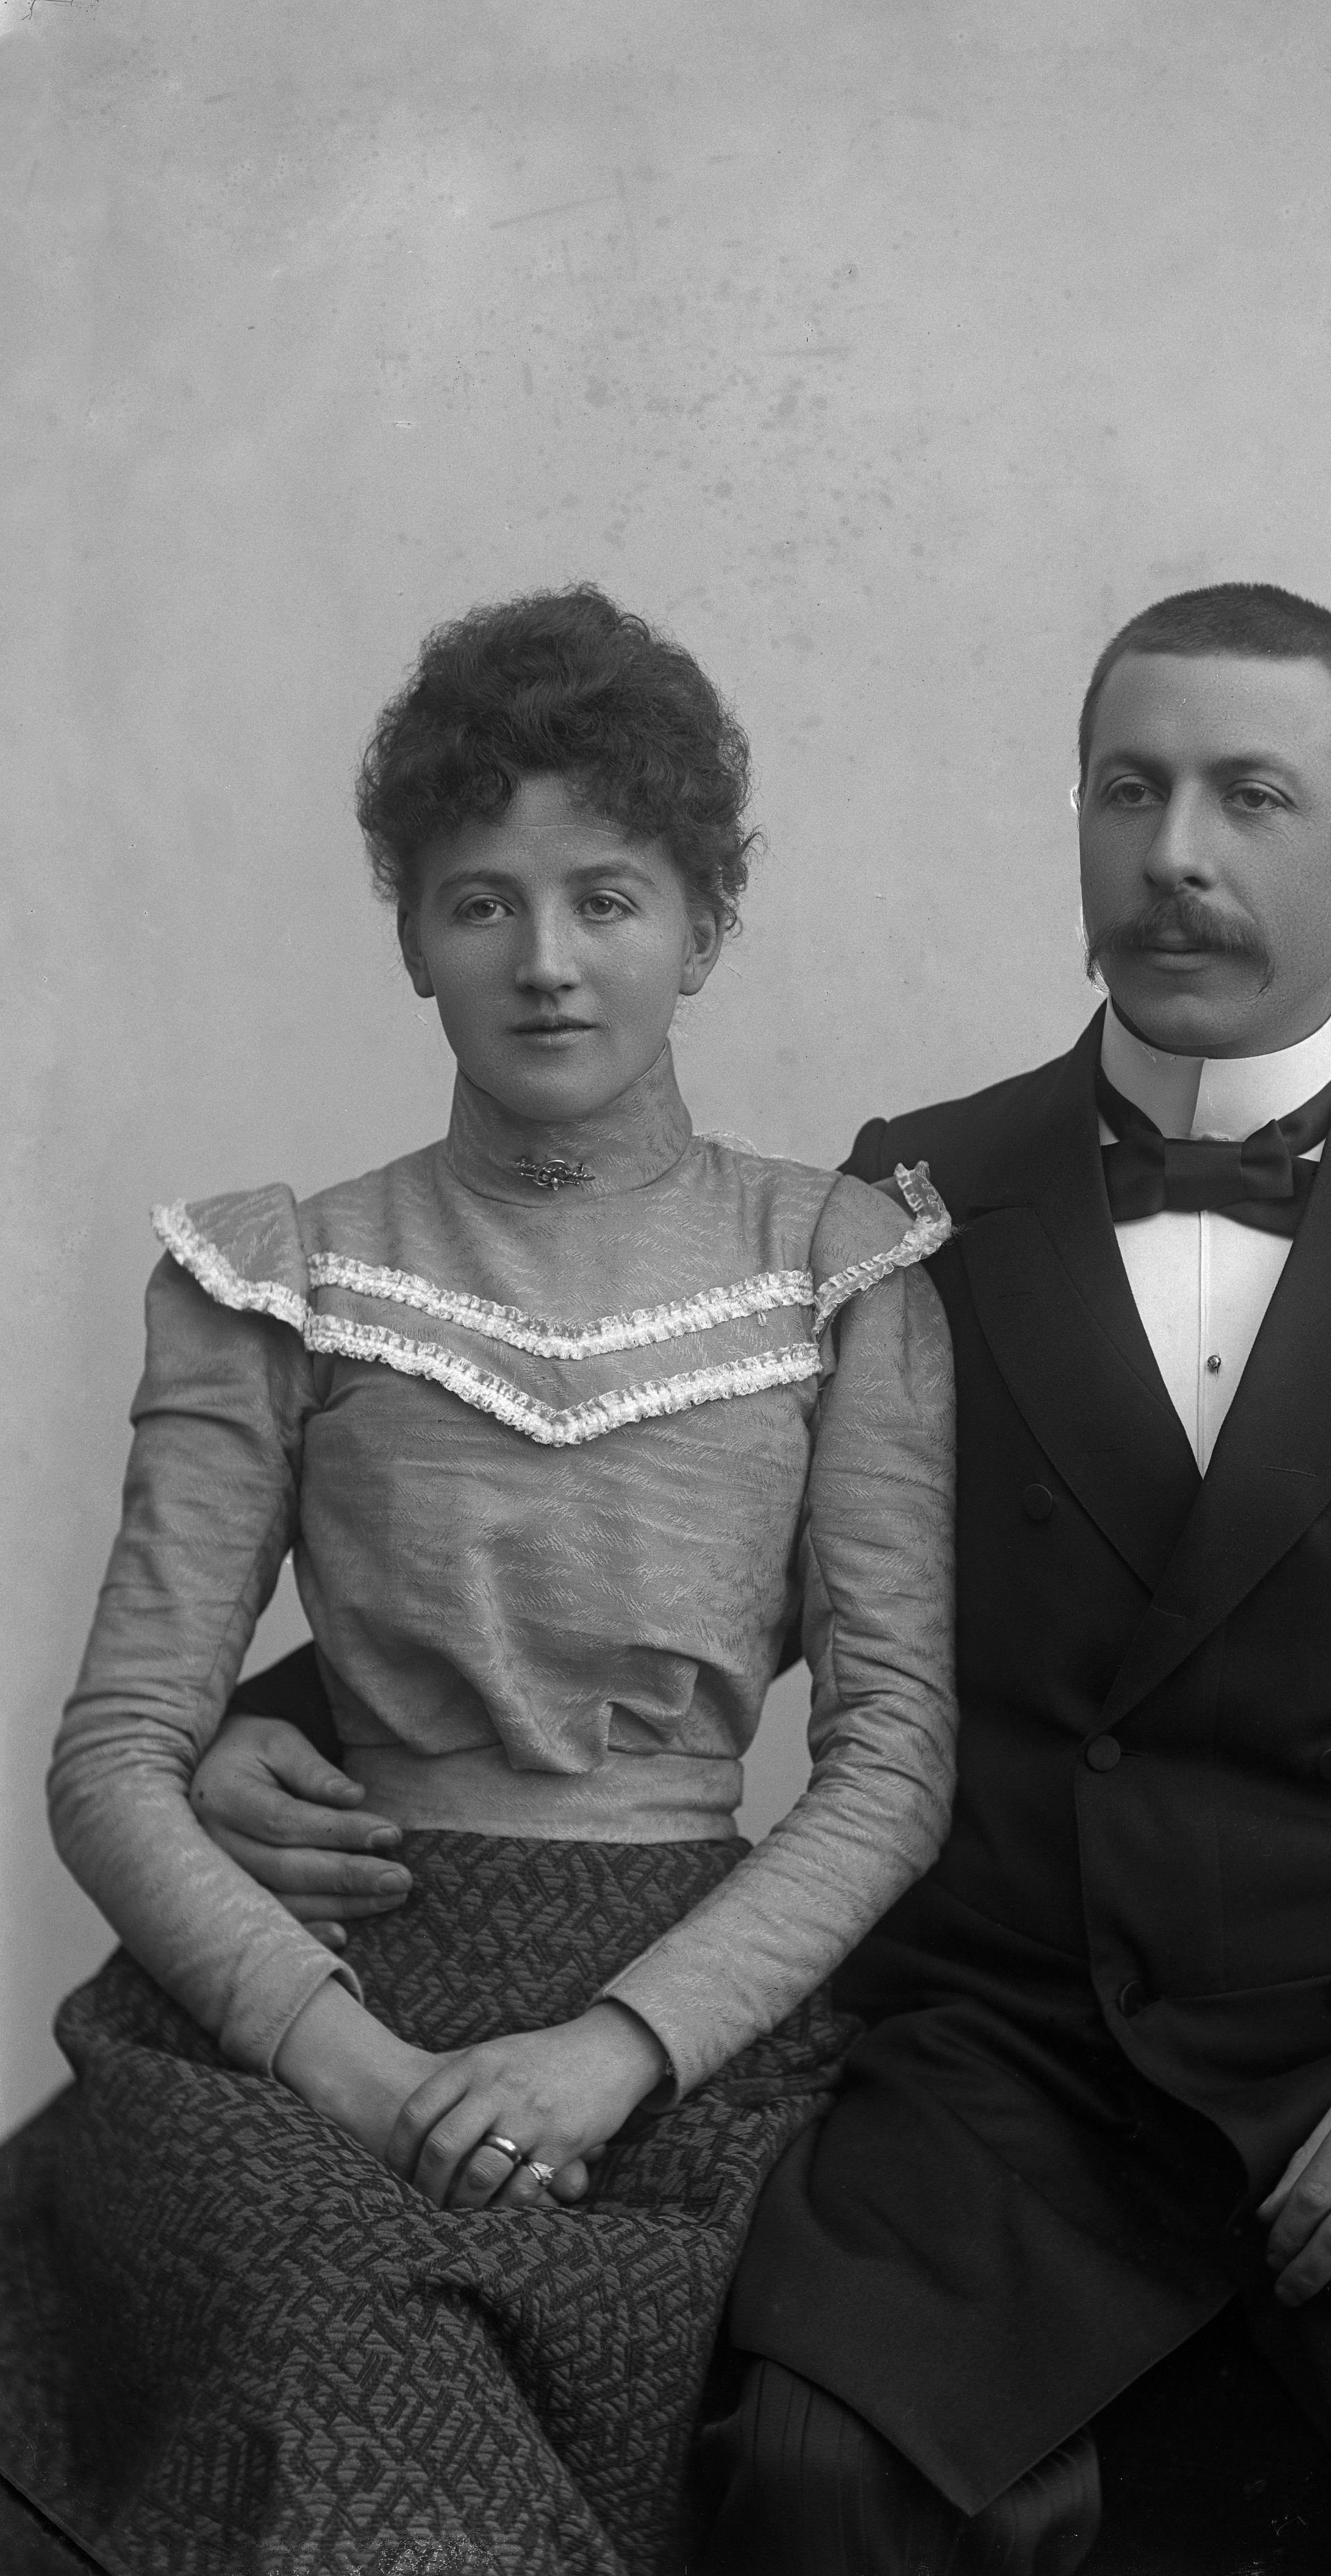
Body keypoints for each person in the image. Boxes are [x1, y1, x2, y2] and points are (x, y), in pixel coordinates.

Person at [184, 585, 1331, 2576]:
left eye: (1250, 797)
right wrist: (277, 1725)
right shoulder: (913, 1201)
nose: (1175, 853)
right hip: (1031, 2086)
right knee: (816, 2485)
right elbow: (687, 1567)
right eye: (1128, 790)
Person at [0, 587, 959, 2576]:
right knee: (317, 2312)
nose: (544, 962)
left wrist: (615, 2051)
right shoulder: (279, 1271)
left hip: (682, 2040)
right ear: (411, 935)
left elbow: (890, 1763)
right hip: (318, 2020)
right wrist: (354, 2073)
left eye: (607, 899)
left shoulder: (840, 1264)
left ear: (702, 921)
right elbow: (114, 1757)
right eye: (479, 904)